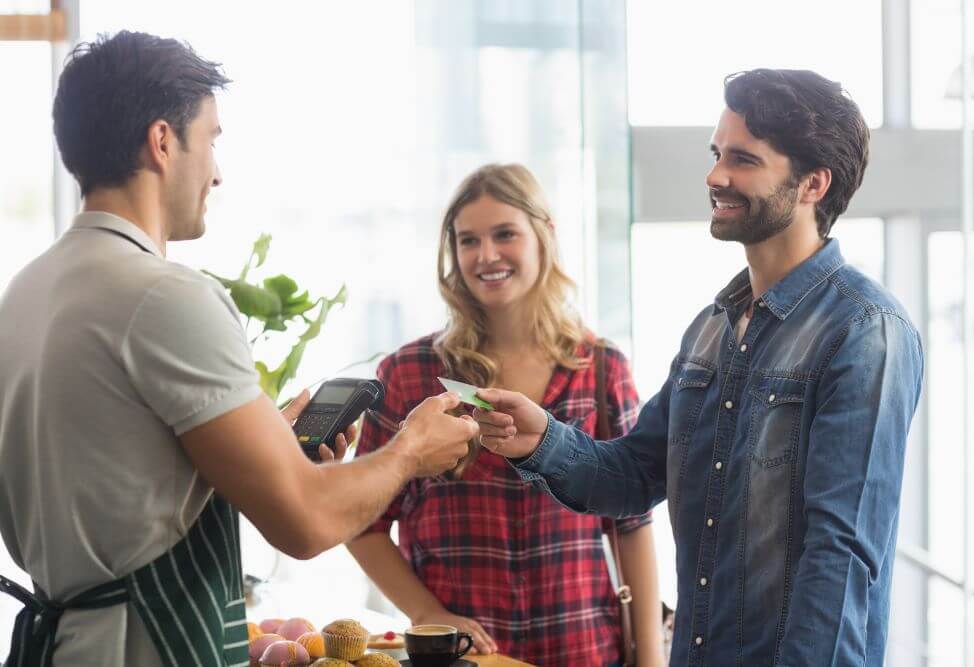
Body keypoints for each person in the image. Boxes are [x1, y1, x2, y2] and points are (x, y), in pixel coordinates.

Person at [0, 31, 477, 666]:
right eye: (213, 139)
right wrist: (410, 451)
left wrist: (257, 446)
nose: (217, 172)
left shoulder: (26, 292)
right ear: (163, 141)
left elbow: (115, 493)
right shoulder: (165, 296)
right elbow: (303, 521)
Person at [472, 70, 924, 666]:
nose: (715, 176)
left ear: (813, 183)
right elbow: (634, 475)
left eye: (742, 159)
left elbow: (840, 556)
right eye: (717, 155)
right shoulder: (712, 328)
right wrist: (543, 440)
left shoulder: (866, 331)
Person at [347, 164, 664, 666]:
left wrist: (650, 660)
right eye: (468, 240)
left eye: (505, 234)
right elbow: (361, 522)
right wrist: (428, 613)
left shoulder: (601, 368)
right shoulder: (410, 373)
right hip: (464, 657)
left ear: (544, 236)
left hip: (584, 650)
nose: (486, 255)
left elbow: (633, 525)